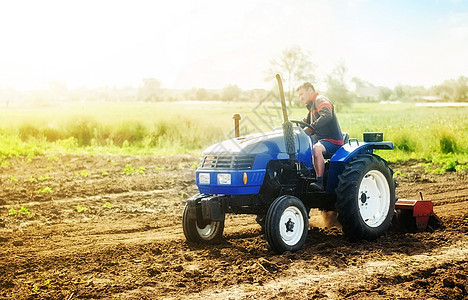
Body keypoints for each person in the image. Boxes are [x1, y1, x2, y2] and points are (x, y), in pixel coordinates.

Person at [296, 82, 344, 191]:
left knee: (315, 149)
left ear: (310, 91)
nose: (300, 97)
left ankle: (319, 182)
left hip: (333, 141)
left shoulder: (320, 100)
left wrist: (310, 128)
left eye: (302, 94)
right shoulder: (312, 107)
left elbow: (327, 115)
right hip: (322, 141)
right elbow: (305, 122)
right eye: (299, 95)